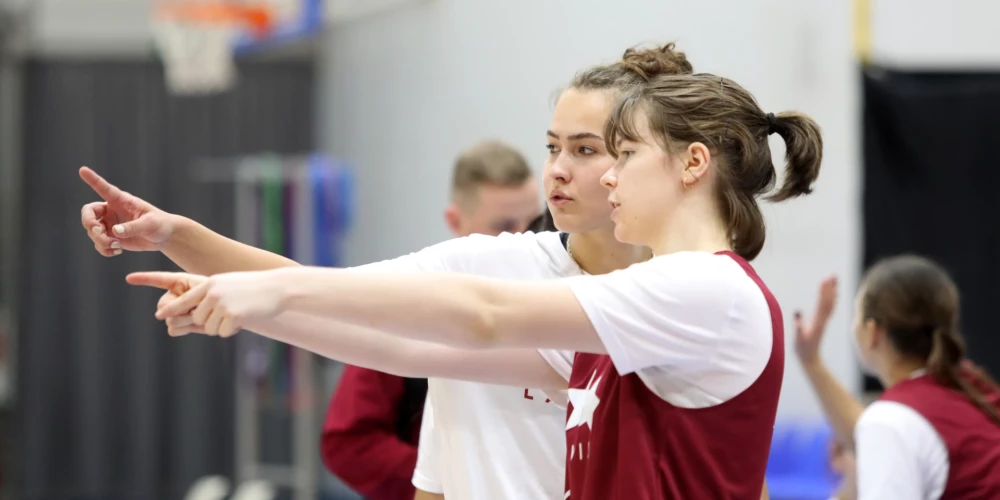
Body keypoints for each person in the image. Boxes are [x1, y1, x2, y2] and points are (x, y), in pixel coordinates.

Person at [130, 71, 823, 498]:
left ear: (693, 163)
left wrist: (265, 294)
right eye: (563, 148)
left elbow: (483, 315)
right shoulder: (618, 319)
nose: (603, 174)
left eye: (619, 152)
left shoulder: (706, 291)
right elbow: (406, 348)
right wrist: (225, 282)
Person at [322, 139, 539, 500]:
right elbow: (349, 442)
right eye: (502, 227)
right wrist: (457, 481)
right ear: (455, 221)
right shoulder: (409, 308)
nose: (519, 241)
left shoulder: (560, 298)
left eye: (533, 224)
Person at [795, 257, 1000, 499]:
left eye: (856, 315)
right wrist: (811, 361)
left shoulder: (891, 421)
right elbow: (885, 434)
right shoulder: (971, 383)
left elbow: (891, 431)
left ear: (873, 332)